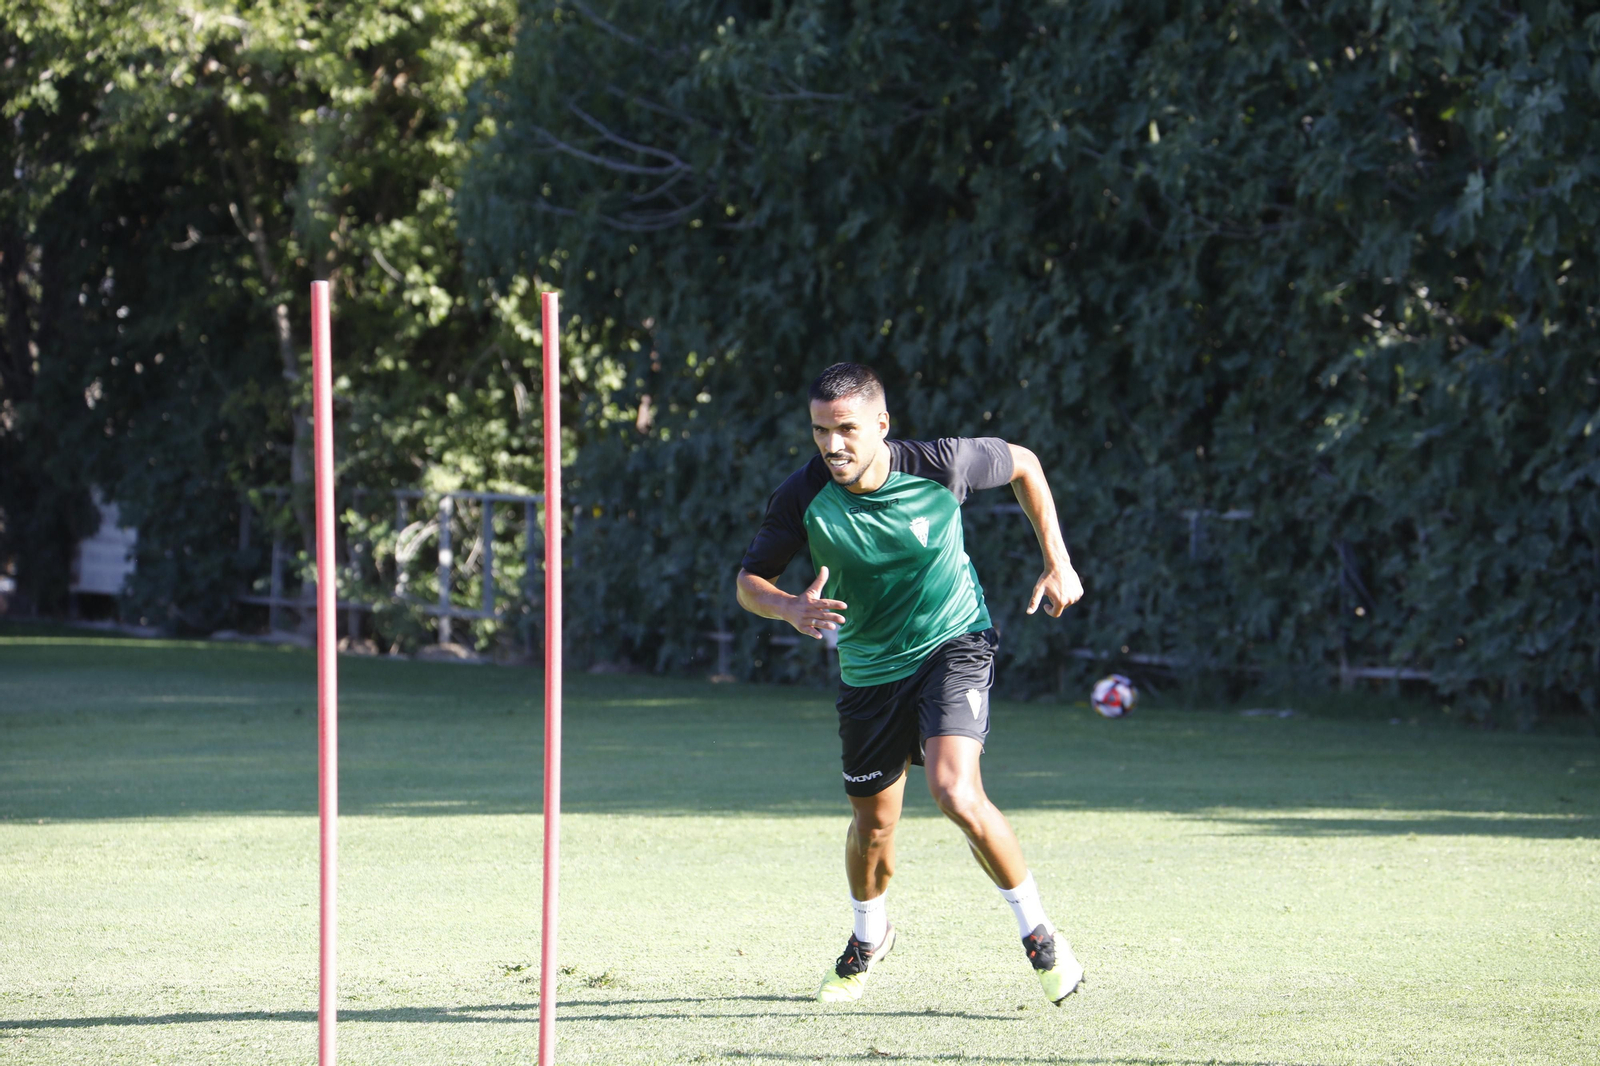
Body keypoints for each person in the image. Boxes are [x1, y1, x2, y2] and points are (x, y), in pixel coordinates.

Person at [735, 362, 1086, 1005]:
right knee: (873, 825)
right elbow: (748, 581)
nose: (832, 445)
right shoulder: (802, 496)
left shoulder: (941, 464)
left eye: (845, 429)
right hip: (869, 669)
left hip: (954, 641)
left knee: (953, 789)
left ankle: (1039, 935)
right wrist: (789, 607)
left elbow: (1026, 463)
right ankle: (869, 938)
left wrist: (1057, 561)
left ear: (881, 424)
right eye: (819, 431)